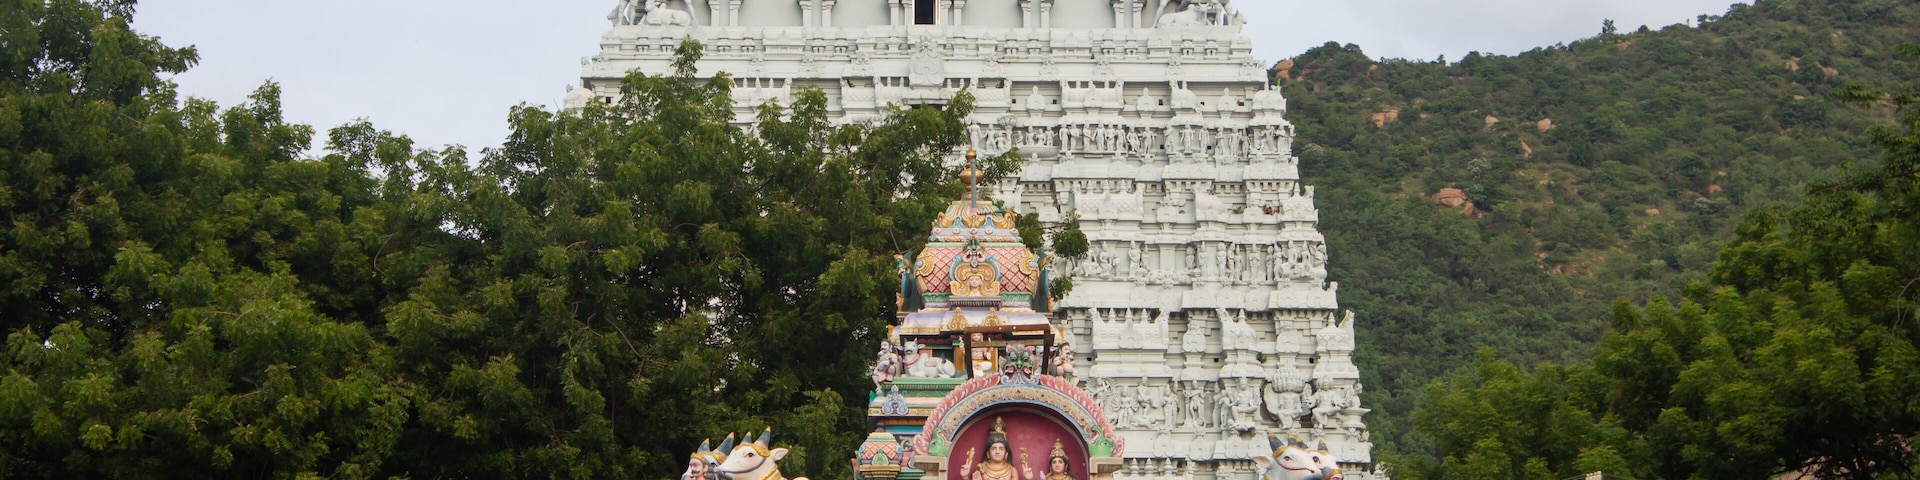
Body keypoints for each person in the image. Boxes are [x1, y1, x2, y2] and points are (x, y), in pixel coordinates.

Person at [964, 417, 1031, 480]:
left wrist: (1028, 479)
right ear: (988, 453)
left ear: (1006, 454)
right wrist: (965, 477)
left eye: (1001, 449)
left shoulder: (1011, 470)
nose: (997, 452)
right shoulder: (981, 468)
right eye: (993, 448)